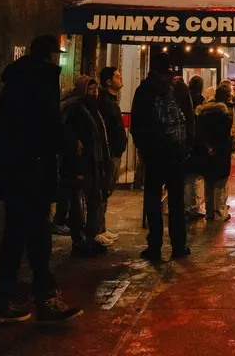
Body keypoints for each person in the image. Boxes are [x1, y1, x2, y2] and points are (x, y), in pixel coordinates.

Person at [0, 34, 81, 325]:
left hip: (12, 170)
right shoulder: (42, 79)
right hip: (31, 171)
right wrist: (69, 144)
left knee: (20, 234)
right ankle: (41, 299)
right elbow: (47, 122)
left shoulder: (18, 78)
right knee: (35, 234)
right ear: (52, 55)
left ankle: (9, 298)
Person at [131, 51, 190, 262]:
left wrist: (144, 150)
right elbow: (190, 120)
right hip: (176, 153)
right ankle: (179, 245)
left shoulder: (144, 89)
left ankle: (154, 246)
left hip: (154, 154)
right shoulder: (180, 88)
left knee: (153, 199)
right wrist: (185, 149)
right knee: (176, 200)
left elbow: (137, 125)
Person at [61, 76, 112, 255]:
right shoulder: (75, 110)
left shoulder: (91, 109)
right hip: (81, 166)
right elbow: (74, 142)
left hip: (92, 165)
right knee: (78, 205)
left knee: (93, 201)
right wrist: (79, 169)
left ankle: (90, 237)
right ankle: (79, 241)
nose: (95, 93)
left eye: (96, 89)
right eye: (91, 90)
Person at [195, 82, 235, 222]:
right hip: (221, 152)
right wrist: (217, 148)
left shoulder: (203, 113)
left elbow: (199, 133)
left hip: (205, 151)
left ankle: (209, 212)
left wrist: (207, 147)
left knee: (208, 182)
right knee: (219, 183)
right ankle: (219, 212)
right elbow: (225, 136)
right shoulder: (225, 114)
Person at [97, 65, 127, 241]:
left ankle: (102, 227)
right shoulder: (105, 102)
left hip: (115, 152)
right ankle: (98, 230)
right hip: (109, 153)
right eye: (117, 77)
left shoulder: (111, 101)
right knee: (102, 190)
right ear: (109, 81)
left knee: (107, 190)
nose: (120, 78)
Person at [184, 75, 206, 218]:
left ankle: (187, 205)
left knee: (186, 177)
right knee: (194, 178)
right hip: (196, 142)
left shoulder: (184, 99)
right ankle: (192, 206)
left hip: (185, 141)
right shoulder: (200, 102)